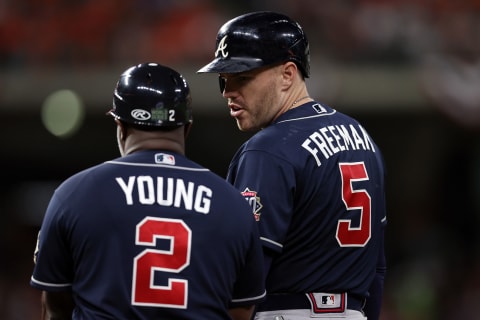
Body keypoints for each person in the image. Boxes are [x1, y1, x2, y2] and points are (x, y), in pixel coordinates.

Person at [30, 62, 266, 320]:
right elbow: (242, 311)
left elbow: (55, 303)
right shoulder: (233, 204)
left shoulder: (74, 195)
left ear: (120, 126)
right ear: (186, 127)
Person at [198, 11, 387, 320]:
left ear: (288, 74)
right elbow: (377, 266)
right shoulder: (362, 137)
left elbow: (247, 272)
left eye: (242, 77)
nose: (228, 92)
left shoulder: (268, 148)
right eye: (224, 80)